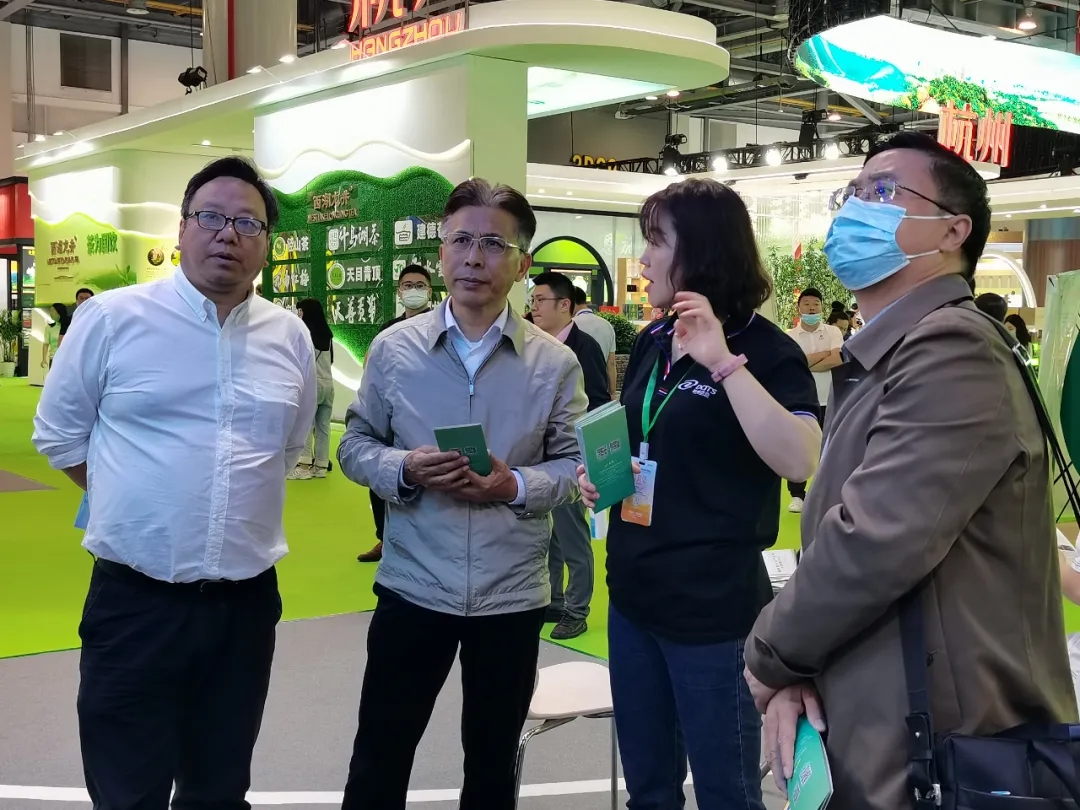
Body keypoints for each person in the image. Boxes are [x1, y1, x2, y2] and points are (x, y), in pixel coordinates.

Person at [743, 131, 1075, 810]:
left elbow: (873, 540)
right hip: (886, 713)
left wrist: (769, 655)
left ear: (953, 230)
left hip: (945, 738)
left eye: (884, 191)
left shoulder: (951, 347)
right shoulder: (888, 356)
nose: (857, 207)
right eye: (853, 191)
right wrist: (800, 663)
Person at [32, 156, 317, 810]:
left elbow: (286, 447)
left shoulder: (289, 336)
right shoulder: (112, 319)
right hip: (135, 603)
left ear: (267, 244)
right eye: (211, 217)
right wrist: (131, 495)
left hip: (244, 609)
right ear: (182, 228)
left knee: (219, 790)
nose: (228, 234)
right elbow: (59, 435)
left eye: (248, 223)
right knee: (127, 792)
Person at [336, 179, 586, 810]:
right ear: (442, 251)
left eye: (495, 244)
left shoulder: (554, 365)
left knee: (493, 767)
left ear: (522, 264)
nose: (475, 257)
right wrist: (405, 468)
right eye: (461, 240)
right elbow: (355, 445)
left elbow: (575, 465)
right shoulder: (394, 350)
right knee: (379, 755)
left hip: (511, 595)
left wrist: (515, 484)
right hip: (413, 585)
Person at [577, 177, 820, 810]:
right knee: (650, 790)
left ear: (704, 251)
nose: (644, 259)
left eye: (656, 242)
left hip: (713, 612)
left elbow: (801, 457)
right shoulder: (654, 340)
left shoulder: (767, 350)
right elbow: (642, 438)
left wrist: (722, 361)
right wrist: (603, 475)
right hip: (634, 595)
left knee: (726, 793)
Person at [529, 270, 610, 640]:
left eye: (541, 300)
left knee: (573, 535)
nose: (534, 308)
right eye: (532, 300)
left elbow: (597, 403)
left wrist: (591, 460)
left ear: (565, 305)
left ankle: (577, 610)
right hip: (541, 458)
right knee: (552, 537)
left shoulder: (583, 347)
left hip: (573, 459)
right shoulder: (535, 344)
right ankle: (556, 599)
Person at [357, 264, 434, 563]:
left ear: (430, 291)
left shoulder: (439, 326)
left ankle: (421, 545)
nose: (414, 290)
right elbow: (371, 365)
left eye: (420, 285)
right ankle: (384, 538)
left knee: (426, 479)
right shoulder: (388, 330)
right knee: (383, 474)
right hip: (390, 414)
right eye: (408, 285)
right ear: (399, 292)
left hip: (425, 417)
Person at [784, 287, 844, 513]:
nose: (811, 308)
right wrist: (824, 355)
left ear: (822, 307)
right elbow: (792, 364)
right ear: (799, 308)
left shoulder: (833, 331)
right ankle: (797, 495)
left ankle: (825, 493)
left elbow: (838, 359)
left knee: (829, 448)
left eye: (816, 304)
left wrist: (805, 362)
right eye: (807, 304)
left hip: (830, 398)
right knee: (798, 447)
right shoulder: (789, 335)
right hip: (801, 399)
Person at [288, 298, 335, 480]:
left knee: (306, 425)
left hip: (312, 385)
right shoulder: (328, 335)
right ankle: (321, 466)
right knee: (323, 427)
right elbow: (331, 361)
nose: (298, 314)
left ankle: (304, 466)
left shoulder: (304, 334)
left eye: (300, 310)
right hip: (328, 384)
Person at [571, 285, 618, 395]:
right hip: (601, 388)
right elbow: (611, 363)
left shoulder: (571, 325)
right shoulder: (607, 325)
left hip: (576, 389)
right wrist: (612, 393)